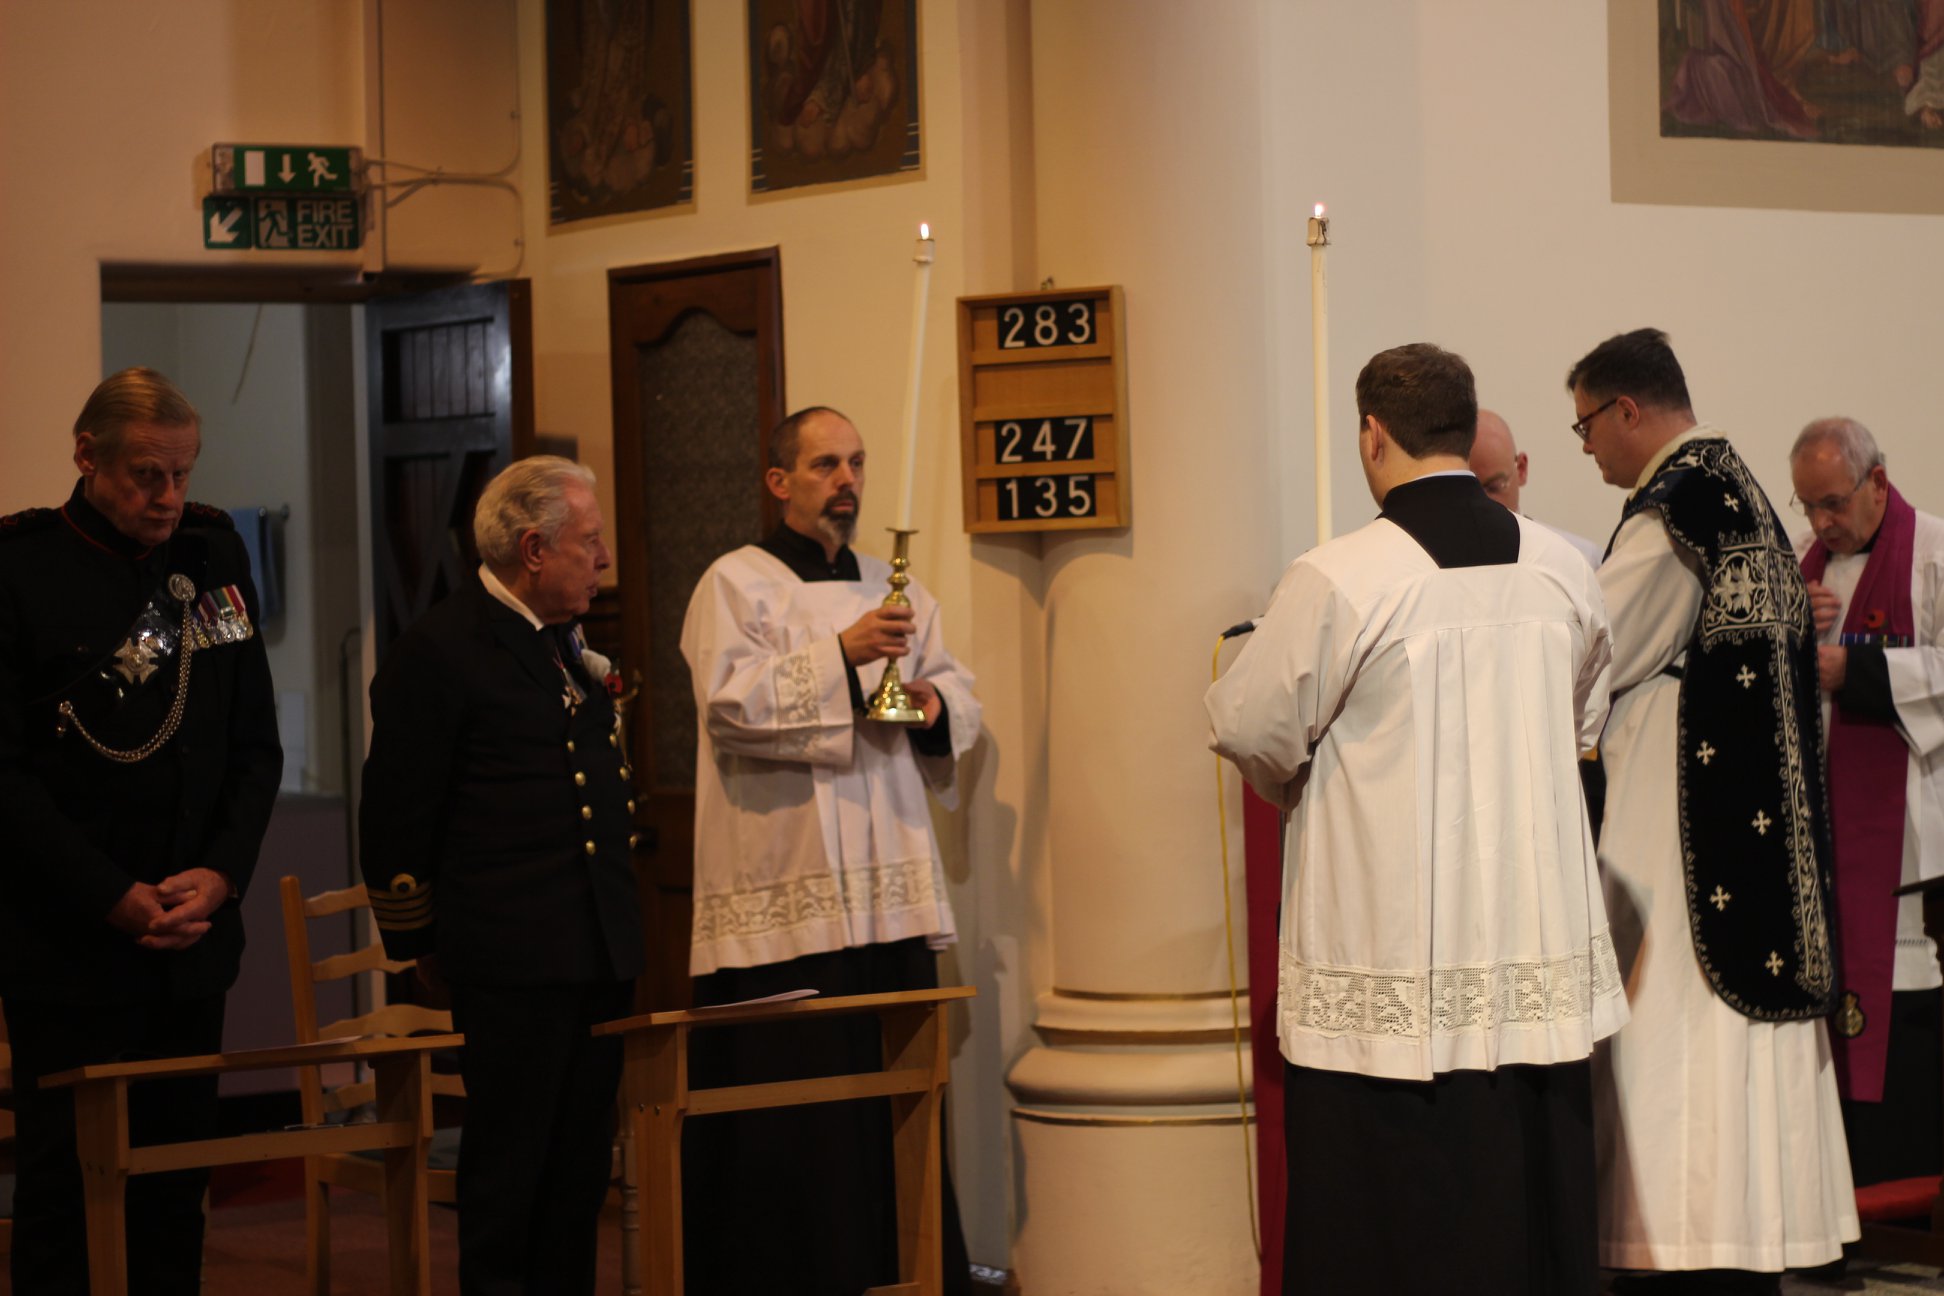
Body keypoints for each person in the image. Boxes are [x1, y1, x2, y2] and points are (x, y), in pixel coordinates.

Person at [1207, 343, 1624, 1295]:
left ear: (1371, 435)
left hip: (1390, 955)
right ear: (1468, 427)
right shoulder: (1564, 565)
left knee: (1389, 1233)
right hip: (1531, 957)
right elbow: (1582, 724)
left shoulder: (1340, 576)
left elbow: (1251, 727)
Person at [1570, 329, 1856, 1290]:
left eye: (1584, 426)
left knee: (1676, 1057)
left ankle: (1687, 1252)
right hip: (1754, 847)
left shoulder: (1673, 514)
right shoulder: (1743, 496)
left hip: (1683, 843)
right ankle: (1741, 1241)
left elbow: (1590, 650)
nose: (1585, 449)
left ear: (1628, 411)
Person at [678, 405, 980, 1296]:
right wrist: (841, 655)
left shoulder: (899, 589)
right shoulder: (734, 583)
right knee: (791, 1122)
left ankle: (908, 1269)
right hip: (785, 892)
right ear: (779, 482)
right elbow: (730, 708)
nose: (846, 482)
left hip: (884, 897)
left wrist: (929, 705)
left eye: (855, 464)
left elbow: (953, 687)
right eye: (824, 466)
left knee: (891, 1107)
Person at [0, 367, 282, 1294]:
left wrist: (222, 876)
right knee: (63, 1194)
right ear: (87, 458)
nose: (169, 497)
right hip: (69, 941)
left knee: (173, 1191)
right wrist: (110, 897)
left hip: (191, 937)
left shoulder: (210, 556)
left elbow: (254, 747)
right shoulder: (21, 569)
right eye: (145, 475)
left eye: (182, 473)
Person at [360, 456, 641, 1296]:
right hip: (513, 960)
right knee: (509, 1179)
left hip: (594, 954)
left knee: (577, 1176)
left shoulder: (564, 643)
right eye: (589, 543)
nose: (602, 561)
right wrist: (420, 943)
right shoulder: (444, 650)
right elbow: (397, 817)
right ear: (533, 549)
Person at [1790, 416, 1944, 1190]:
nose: (1820, 522)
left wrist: (1858, 671)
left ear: (1878, 483)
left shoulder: (1935, 553)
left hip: (1911, 834)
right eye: (1807, 506)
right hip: (1825, 831)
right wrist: (1788, 632)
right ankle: (1843, 1196)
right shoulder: (1803, 568)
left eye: (1832, 502)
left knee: (1907, 1012)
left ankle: (1908, 1194)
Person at [1470, 407, 1604, 565]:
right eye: (1468, 491)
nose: (1483, 503)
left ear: (1521, 469)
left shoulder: (1581, 559)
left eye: (1494, 487)